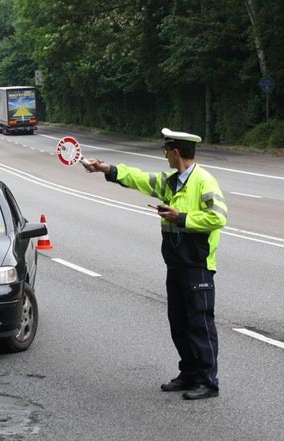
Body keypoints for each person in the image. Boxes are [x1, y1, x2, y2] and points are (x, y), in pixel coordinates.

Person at [83, 128, 228, 400]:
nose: (165, 156)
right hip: (176, 264)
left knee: (200, 324)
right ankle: (189, 373)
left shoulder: (204, 181)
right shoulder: (171, 182)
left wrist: (181, 217)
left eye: (166, 151)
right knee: (179, 323)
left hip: (197, 265)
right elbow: (139, 178)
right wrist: (105, 169)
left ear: (176, 152)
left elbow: (218, 217)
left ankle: (208, 382)